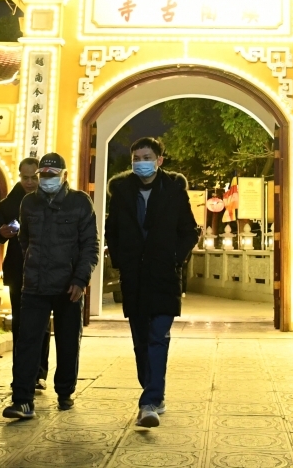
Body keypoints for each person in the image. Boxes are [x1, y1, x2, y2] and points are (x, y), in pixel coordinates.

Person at [105, 137, 198, 428]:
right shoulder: (121, 191)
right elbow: (113, 231)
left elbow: (189, 231)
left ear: (159, 160)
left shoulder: (173, 190)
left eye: (146, 157)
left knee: (158, 336)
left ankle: (149, 401)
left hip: (163, 275)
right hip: (133, 276)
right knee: (140, 341)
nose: (140, 162)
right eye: (135, 158)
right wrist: (121, 260)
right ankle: (154, 392)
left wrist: (175, 258)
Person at [3, 153, 98, 419]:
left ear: (64, 175)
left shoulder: (80, 202)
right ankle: (22, 399)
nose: (46, 180)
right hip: (34, 286)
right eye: (43, 175)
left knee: (68, 343)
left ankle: (65, 390)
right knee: (27, 343)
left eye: (52, 175)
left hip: (69, 287)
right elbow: (25, 242)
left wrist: (80, 279)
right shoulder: (28, 203)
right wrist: (31, 267)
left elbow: (90, 245)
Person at [0, 158, 50, 389]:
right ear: (19, 176)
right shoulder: (9, 203)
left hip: (44, 270)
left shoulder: (50, 199)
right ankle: (22, 376)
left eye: (35, 177)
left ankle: (40, 373)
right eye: (26, 177)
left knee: (42, 323)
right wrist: (1, 232)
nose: (30, 182)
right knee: (21, 324)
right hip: (17, 270)